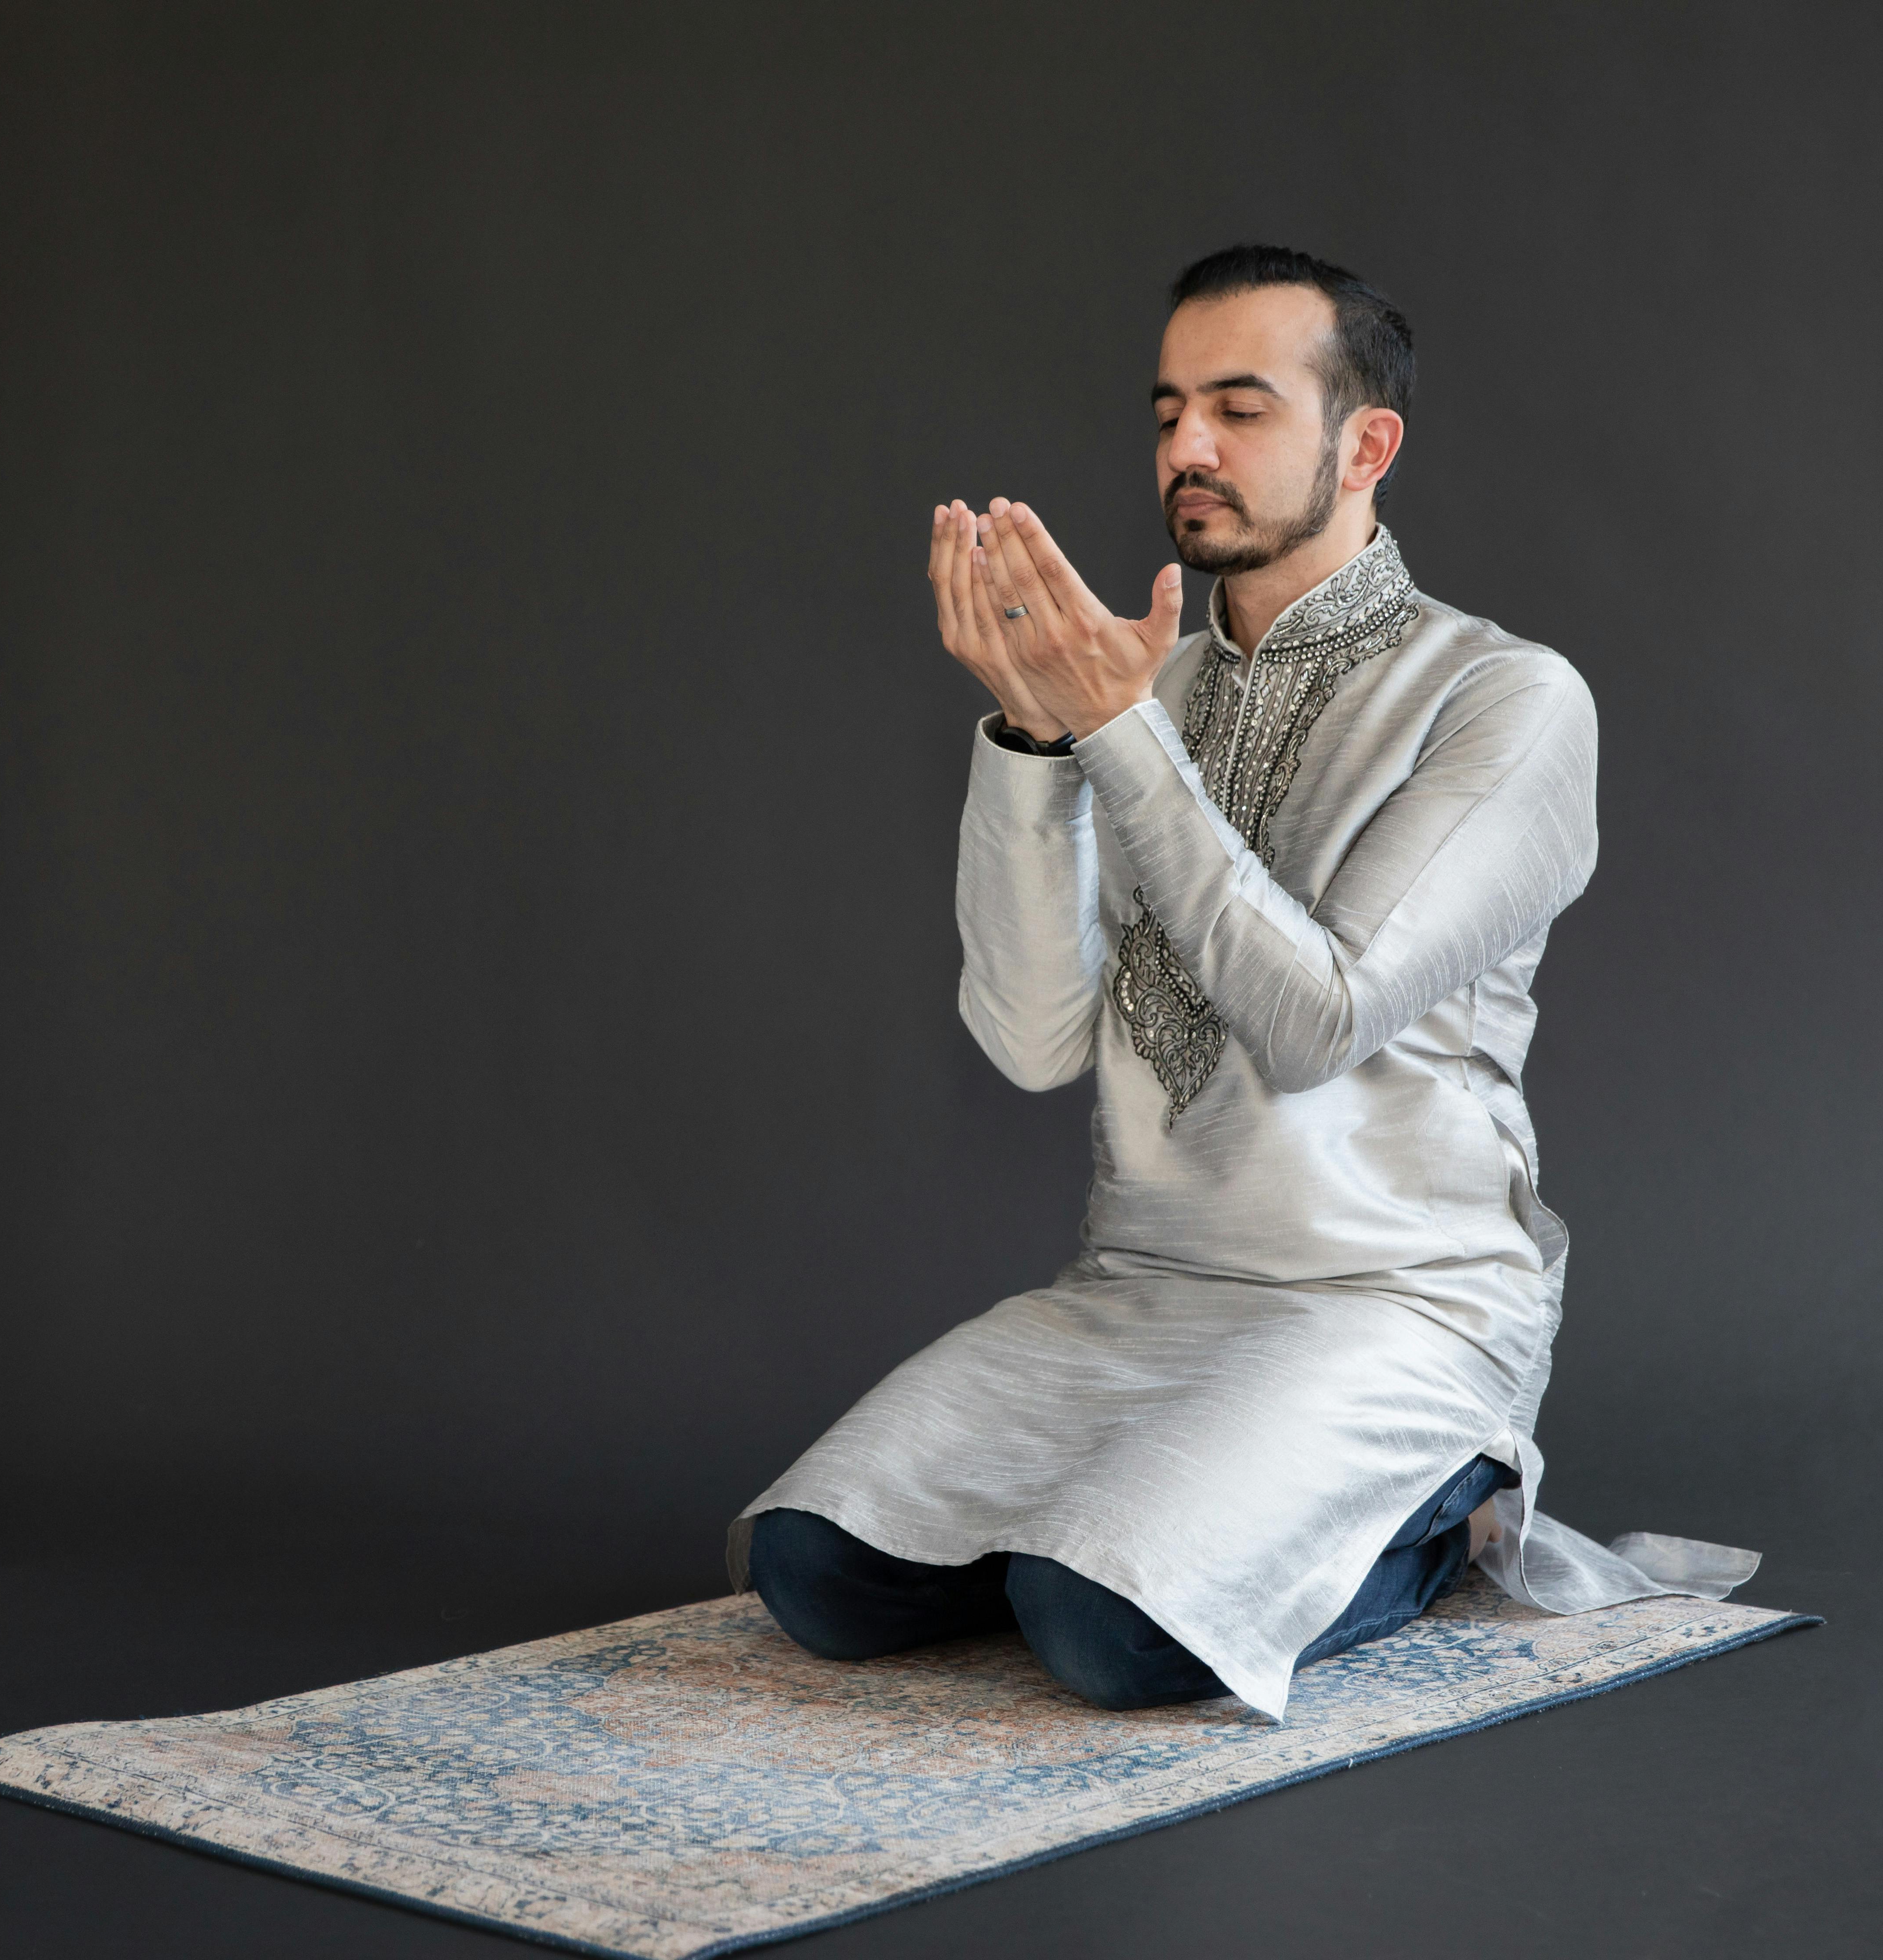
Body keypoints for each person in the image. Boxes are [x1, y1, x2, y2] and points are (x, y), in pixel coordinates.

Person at [728, 245, 1757, 1721]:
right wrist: (1033, 745)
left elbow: (1317, 1018)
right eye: (1166, 414)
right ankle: (1161, 1519)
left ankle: (1445, 1512)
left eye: (1240, 409)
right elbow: (1029, 1044)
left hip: (1389, 1305)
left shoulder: (1507, 698)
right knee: (817, 1574)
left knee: (1105, 1635)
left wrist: (1117, 740)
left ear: (1367, 444)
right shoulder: (1138, 684)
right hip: (1139, 1291)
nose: (1186, 450)